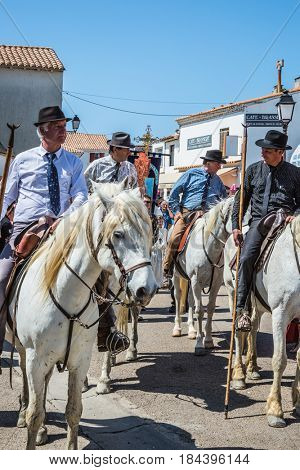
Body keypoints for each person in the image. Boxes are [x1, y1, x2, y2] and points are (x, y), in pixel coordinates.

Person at [0, 106, 88, 357]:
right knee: (0, 278)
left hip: (63, 226)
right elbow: (7, 195)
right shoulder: (22, 160)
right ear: (43, 131)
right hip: (26, 226)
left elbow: (81, 194)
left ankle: (106, 330)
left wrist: (66, 217)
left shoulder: (72, 161)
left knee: (96, 268)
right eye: (58, 127)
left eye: (64, 126)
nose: (64, 131)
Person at [232, 130, 300, 331]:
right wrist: (236, 227)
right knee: (245, 258)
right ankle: (242, 309)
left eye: (268, 150)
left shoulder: (295, 173)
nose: (263, 153)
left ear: (280, 152)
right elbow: (240, 201)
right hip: (259, 222)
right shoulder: (252, 171)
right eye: (262, 149)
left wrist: (295, 214)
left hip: (286, 222)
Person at [84, 132, 137, 349]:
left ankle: (142, 284)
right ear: (114, 149)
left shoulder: (131, 169)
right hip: (99, 223)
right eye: (126, 149)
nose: (129, 152)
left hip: (122, 223)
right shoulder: (96, 167)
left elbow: (135, 194)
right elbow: (82, 190)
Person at [163, 149, 228, 277]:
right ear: (208, 163)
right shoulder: (191, 174)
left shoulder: (218, 181)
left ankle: (221, 271)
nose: (220, 166)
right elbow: (174, 194)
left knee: (224, 238)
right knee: (175, 237)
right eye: (218, 163)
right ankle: (167, 268)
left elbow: (224, 200)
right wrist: (176, 212)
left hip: (210, 216)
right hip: (188, 213)